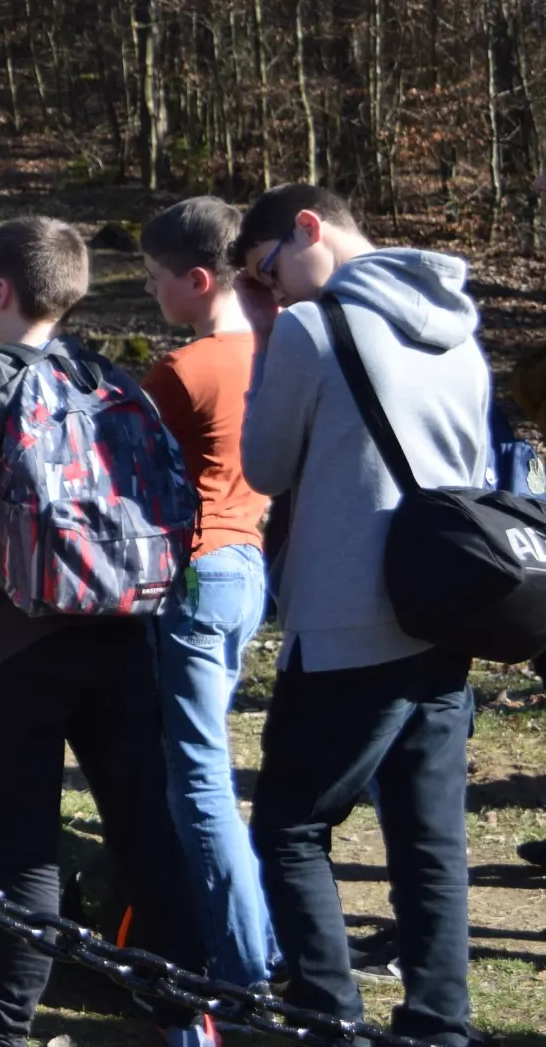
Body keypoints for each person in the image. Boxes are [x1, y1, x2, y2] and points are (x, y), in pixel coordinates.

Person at [0, 217, 209, 1047]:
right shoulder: (117, 382)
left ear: (2, 289)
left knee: (26, 853)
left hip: (13, 652)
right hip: (123, 636)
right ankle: (187, 1019)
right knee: (145, 833)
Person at [235, 184, 485, 1047]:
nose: (271, 294)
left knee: (290, 826)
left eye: (266, 273)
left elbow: (264, 467)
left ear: (310, 228)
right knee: (429, 838)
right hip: (447, 612)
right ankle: (437, 1025)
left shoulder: (311, 328)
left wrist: (269, 338)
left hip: (349, 618)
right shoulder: (459, 324)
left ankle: (327, 1015)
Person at [137, 197, 278, 989]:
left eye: (158, 279)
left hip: (195, 570)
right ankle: (248, 930)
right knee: (207, 758)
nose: (152, 292)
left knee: (196, 771)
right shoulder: (275, 350)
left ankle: (240, 959)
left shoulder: (184, 370)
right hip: (248, 567)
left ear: (196, 278)